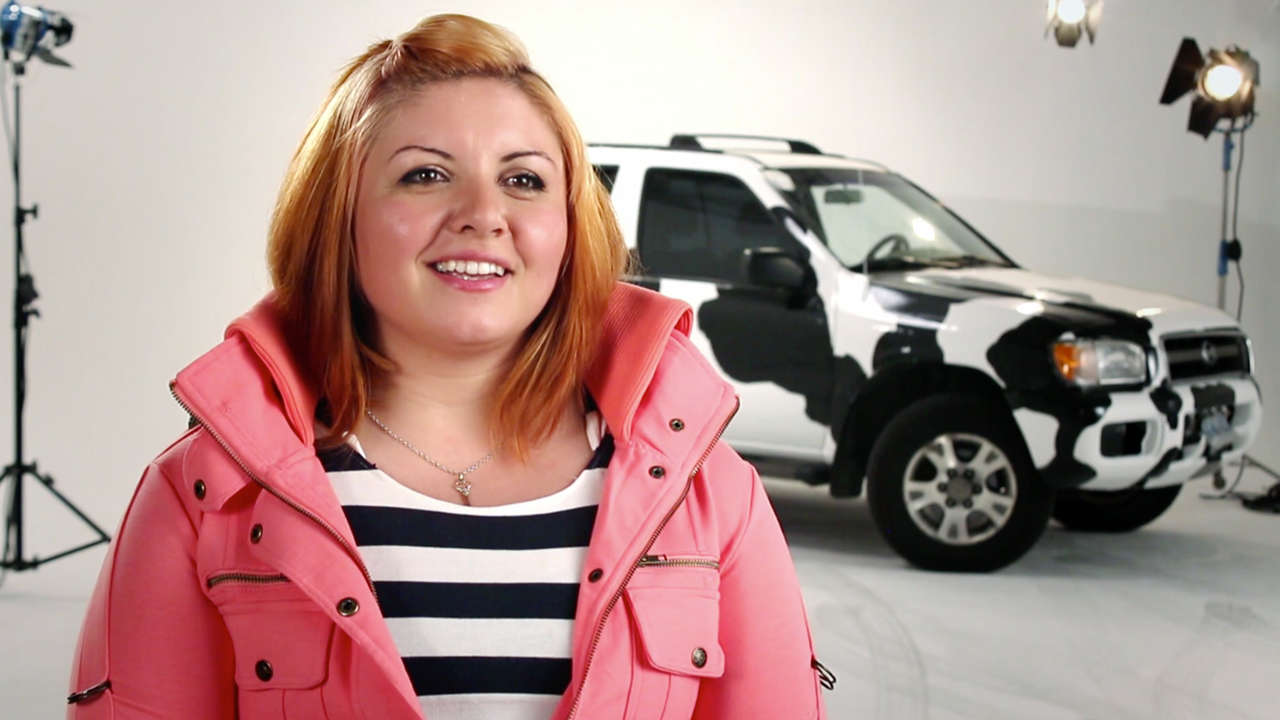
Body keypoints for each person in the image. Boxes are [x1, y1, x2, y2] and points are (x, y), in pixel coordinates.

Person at [67, 13, 828, 720]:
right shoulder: (205, 497)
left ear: (570, 226)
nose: (483, 215)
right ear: (339, 219)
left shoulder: (711, 495)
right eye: (426, 175)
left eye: (524, 180)